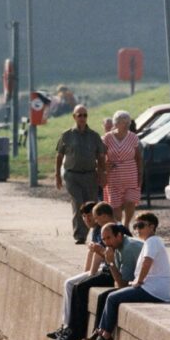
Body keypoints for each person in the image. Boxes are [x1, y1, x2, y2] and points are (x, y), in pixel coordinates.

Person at [49, 203, 143, 340]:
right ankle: (77, 330)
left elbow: (120, 268)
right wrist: (91, 271)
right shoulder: (104, 231)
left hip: (116, 272)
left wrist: (104, 256)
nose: (94, 222)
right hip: (109, 269)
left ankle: (78, 332)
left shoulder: (119, 231)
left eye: (96, 219)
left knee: (86, 290)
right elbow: (99, 256)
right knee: (79, 287)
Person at [80, 213, 170, 340]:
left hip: (152, 289)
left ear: (152, 227)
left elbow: (148, 262)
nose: (137, 229)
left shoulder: (153, 241)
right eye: (135, 226)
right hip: (152, 288)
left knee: (112, 298)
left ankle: (105, 337)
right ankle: (100, 334)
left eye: (141, 226)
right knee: (110, 296)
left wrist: (139, 281)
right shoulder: (150, 242)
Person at [56, 105, 107, 244]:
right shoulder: (67, 135)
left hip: (90, 175)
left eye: (85, 115)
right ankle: (80, 235)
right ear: (74, 117)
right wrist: (57, 175)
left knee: (91, 206)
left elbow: (101, 156)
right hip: (72, 175)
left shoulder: (94, 136)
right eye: (80, 115)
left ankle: (95, 234)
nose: (82, 118)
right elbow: (59, 156)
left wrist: (102, 173)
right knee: (78, 203)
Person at [103, 110, 143, 229]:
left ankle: (126, 226)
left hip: (131, 174)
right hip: (114, 176)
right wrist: (104, 166)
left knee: (131, 201)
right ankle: (119, 227)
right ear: (116, 124)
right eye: (123, 122)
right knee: (116, 205)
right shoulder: (107, 138)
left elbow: (138, 158)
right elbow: (101, 156)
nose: (126, 125)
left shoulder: (133, 138)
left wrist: (140, 175)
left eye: (128, 122)